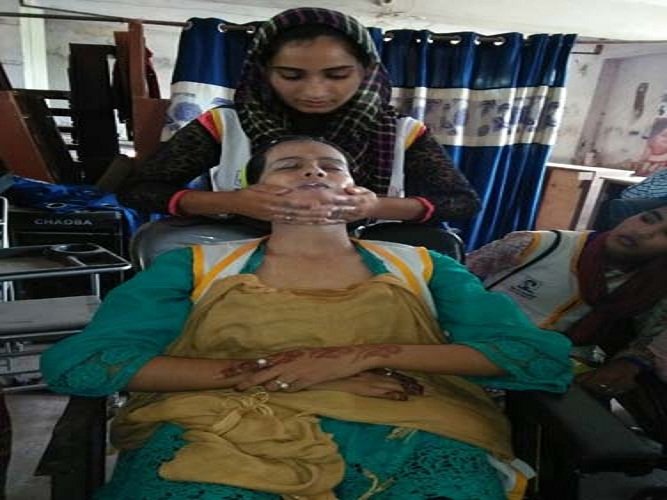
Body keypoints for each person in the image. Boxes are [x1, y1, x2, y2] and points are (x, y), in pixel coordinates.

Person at [42, 137, 570, 500]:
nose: (314, 170)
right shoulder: (194, 266)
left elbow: (524, 353)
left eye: (332, 166)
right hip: (218, 422)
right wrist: (291, 373)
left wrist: (350, 358)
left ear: (358, 192)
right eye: (288, 165)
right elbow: (93, 359)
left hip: (412, 421)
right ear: (251, 195)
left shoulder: (426, 265)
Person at [117, 7, 480, 227]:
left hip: (367, 260)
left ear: (366, 71)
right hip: (247, 261)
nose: (314, 91)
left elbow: (462, 202)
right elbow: (139, 190)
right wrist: (234, 202)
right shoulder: (226, 125)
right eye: (291, 76)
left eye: (337, 75)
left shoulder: (401, 132)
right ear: (264, 71)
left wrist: (375, 206)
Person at [467, 201, 667, 398]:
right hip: (472, 350)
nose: (642, 232)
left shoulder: (653, 289)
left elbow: (649, 342)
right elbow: (457, 277)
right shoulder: (536, 244)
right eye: (647, 219)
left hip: (554, 375)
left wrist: (628, 363)